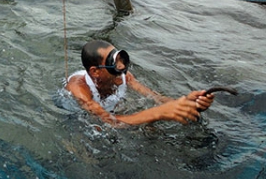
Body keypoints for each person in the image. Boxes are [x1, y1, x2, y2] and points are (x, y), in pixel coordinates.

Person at [65, 40, 214, 126]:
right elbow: (106, 123)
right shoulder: (78, 88)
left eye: (121, 60)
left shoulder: (125, 76)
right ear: (95, 72)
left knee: (151, 128)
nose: (122, 67)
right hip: (74, 118)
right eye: (114, 63)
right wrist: (158, 113)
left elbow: (154, 97)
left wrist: (187, 103)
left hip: (111, 111)